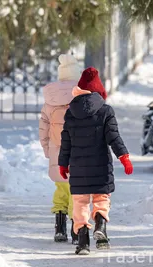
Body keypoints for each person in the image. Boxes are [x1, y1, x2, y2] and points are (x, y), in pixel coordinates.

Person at [58, 67, 133, 255]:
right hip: (100, 164)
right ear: (99, 90)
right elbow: (113, 137)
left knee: (80, 202)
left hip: (78, 166)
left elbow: (65, 141)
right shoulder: (106, 111)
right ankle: (101, 224)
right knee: (101, 197)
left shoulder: (70, 112)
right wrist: (124, 157)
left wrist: (62, 163)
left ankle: (83, 241)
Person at [39, 54, 81, 244]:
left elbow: (44, 127)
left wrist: (47, 149)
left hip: (57, 150)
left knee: (61, 187)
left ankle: (59, 227)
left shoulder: (51, 97)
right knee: (77, 189)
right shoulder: (82, 95)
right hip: (79, 150)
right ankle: (75, 228)